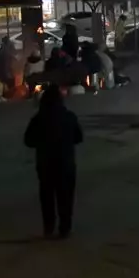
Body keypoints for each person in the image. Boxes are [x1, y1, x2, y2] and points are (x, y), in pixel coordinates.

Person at [24, 87, 84, 239]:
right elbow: (78, 137)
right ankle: (65, 228)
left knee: (47, 197)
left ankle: (49, 227)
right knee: (66, 197)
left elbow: (28, 140)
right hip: (66, 164)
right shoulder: (69, 117)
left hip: (46, 165)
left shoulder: (38, 119)